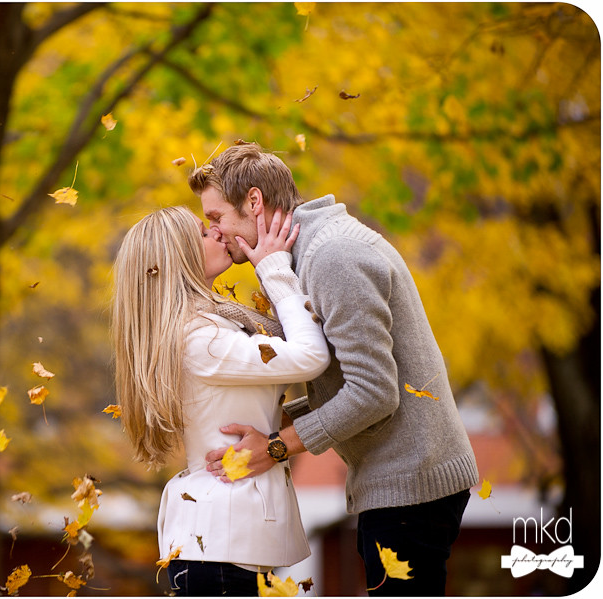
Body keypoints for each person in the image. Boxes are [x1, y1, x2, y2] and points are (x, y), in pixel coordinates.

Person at [190, 143, 480, 596]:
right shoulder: (305, 255)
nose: (215, 232)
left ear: (254, 202)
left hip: (412, 484)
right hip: (397, 480)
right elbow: (347, 376)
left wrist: (277, 446)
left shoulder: (332, 257)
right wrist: (279, 419)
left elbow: (373, 392)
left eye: (215, 218)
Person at [111, 205, 330, 596]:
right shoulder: (202, 339)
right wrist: (276, 269)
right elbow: (310, 357)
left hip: (223, 543)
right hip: (220, 547)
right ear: (175, 258)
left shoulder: (212, 325)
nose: (216, 232)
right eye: (201, 231)